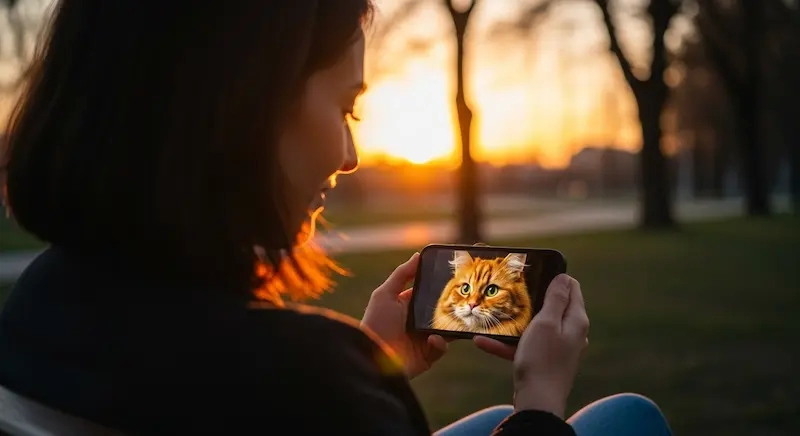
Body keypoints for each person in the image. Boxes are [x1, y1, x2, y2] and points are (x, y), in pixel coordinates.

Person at [0, 0, 673, 434]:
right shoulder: (304, 378)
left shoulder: (36, 300)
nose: (350, 155)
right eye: (346, 106)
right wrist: (541, 402)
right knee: (628, 419)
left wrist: (370, 368)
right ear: (243, 110)